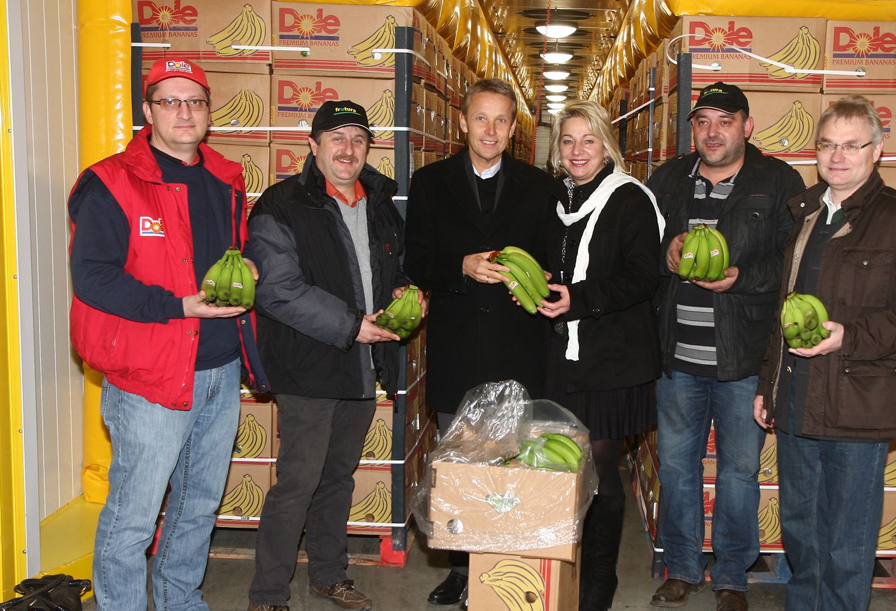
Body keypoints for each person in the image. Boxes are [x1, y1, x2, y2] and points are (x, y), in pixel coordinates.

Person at [68, 57, 268, 610]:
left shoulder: (225, 178)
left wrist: (248, 264)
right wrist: (179, 306)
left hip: (221, 368)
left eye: (195, 101)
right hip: (149, 374)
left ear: (209, 111)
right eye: (170, 101)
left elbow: (233, 246)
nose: (184, 112)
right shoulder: (110, 181)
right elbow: (93, 279)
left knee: (198, 505)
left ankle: (181, 600)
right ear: (147, 109)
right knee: (134, 515)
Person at [753, 95, 896, 610]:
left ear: (877, 150)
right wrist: (767, 384)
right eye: (827, 145)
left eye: (851, 145)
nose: (837, 156)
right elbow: (786, 310)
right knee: (799, 530)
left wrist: (850, 335)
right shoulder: (803, 214)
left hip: (857, 404)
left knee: (846, 539)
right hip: (797, 399)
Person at [245, 100, 422, 611]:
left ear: (369, 147)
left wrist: (408, 296)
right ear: (313, 144)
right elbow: (277, 289)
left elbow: (399, 268)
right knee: (297, 483)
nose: (348, 149)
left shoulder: (381, 203)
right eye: (337, 137)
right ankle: (268, 594)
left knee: (339, 477)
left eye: (358, 139)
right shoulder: (281, 206)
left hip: (363, 367)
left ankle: (328, 574)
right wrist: (351, 325)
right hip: (308, 366)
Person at [646, 82, 805, 611]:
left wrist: (739, 275)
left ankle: (732, 575)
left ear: (747, 126)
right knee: (676, 467)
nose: (712, 132)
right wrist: (662, 253)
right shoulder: (667, 179)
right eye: (703, 121)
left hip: (741, 358)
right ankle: (685, 566)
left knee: (739, 472)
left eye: (725, 120)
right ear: (693, 128)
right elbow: (635, 250)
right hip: (676, 356)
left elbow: (793, 264)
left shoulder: (778, 181)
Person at [403, 78, 561, 607]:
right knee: (459, 467)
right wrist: (460, 267)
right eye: (480, 119)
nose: (490, 130)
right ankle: (458, 569)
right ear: (463, 123)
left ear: (513, 128)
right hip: (457, 348)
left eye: (501, 121)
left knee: (510, 463)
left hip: (518, 345)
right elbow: (414, 259)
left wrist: (534, 278)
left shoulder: (541, 187)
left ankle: (503, 563)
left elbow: (554, 261)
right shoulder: (429, 183)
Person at [540, 99, 664, 611]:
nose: (577, 151)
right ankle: (561, 568)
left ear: (605, 144)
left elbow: (642, 277)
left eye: (587, 140)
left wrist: (580, 298)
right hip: (563, 355)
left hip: (611, 357)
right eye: (567, 141)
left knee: (600, 470)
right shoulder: (557, 199)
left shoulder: (629, 198)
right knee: (563, 468)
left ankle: (599, 581)